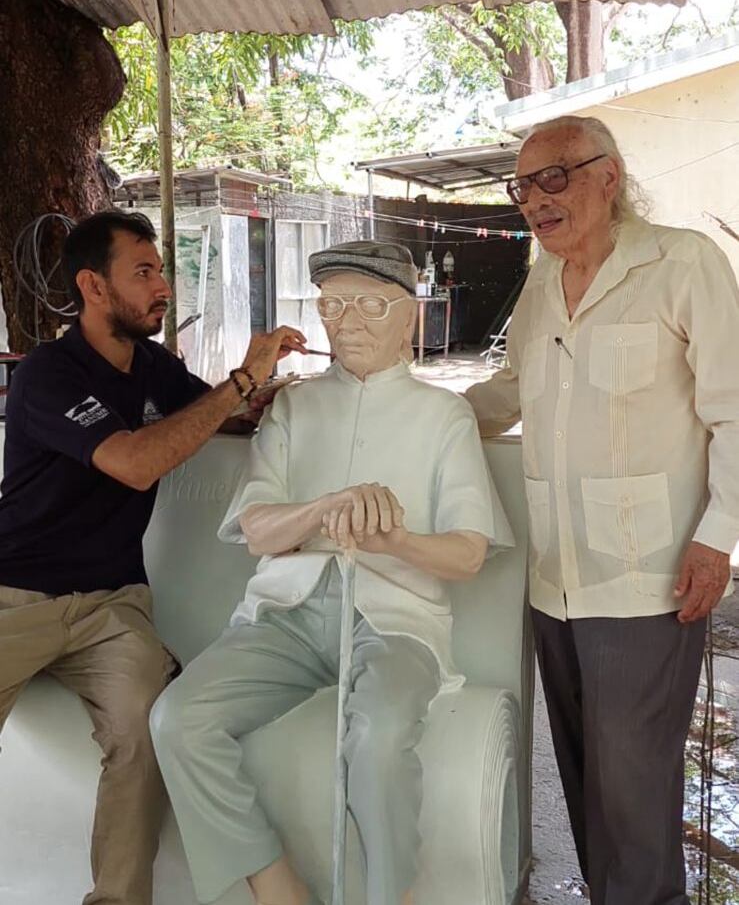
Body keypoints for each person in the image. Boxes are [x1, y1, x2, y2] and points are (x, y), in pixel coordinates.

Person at [150, 240, 514, 905]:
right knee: (178, 719)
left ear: (408, 318)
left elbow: (466, 554)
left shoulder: (443, 415)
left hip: (394, 618)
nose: (347, 321)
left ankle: (390, 896)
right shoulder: (293, 407)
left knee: (377, 737)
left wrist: (395, 539)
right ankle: (275, 885)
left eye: (370, 305)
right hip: (284, 613)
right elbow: (257, 531)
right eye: (332, 305)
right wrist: (324, 508)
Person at [466, 115, 739, 905]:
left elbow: (733, 411)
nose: (533, 200)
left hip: (648, 576)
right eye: (521, 187)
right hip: (554, 575)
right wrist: (399, 410)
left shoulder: (680, 263)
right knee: (586, 777)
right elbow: (509, 392)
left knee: (633, 788)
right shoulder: (541, 282)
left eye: (552, 178)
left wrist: (717, 538)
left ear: (607, 176)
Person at [0, 209, 305, 905]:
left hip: (110, 607)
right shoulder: (48, 374)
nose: (163, 286)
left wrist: (270, 392)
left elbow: (223, 414)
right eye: (143, 272)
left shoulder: (152, 366)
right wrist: (241, 382)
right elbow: (135, 463)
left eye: (161, 270)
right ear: (93, 287)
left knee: (146, 733)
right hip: (14, 595)